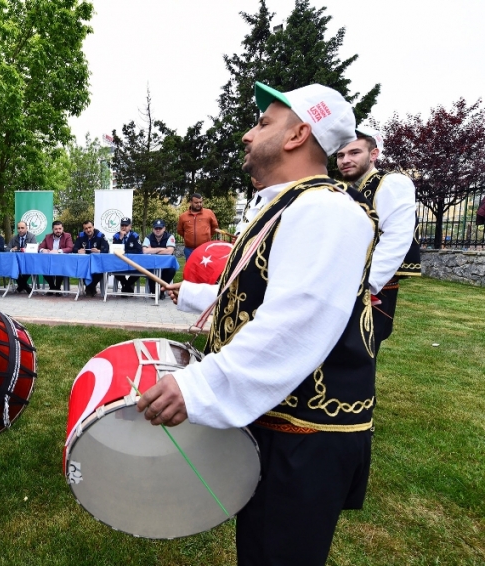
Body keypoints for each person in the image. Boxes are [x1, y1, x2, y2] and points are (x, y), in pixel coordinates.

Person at [139, 82, 378, 566]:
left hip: (306, 432)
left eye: (264, 123)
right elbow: (262, 291)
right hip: (276, 418)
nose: (249, 135)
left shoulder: (325, 209)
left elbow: (296, 321)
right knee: (260, 546)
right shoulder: (288, 206)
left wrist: (199, 385)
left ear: (298, 134)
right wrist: (192, 295)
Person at [336, 125, 419, 352]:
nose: (345, 160)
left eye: (354, 153)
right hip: (343, 284)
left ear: (374, 154)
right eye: (340, 155)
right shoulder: (347, 190)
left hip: (371, 287)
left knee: (360, 352)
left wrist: (366, 287)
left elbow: (396, 238)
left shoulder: (391, 183)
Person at [73, 220, 109, 297]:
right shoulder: (81, 235)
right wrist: (78, 251)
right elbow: (74, 248)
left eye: (89, 227)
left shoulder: (100, 235)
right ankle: (90, 288)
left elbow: (106, 249)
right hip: (84, 262)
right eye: (86, 228)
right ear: (83, 229)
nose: (88, 230)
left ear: (93, 227)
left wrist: (99, 251)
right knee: (81, 269)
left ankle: (90, 287)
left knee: (99, 271)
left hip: (97, 262)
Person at [177, 193, 218, 260]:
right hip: (189, 250)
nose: (199, 204)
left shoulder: (209, 213)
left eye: (200, 202)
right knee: (191, 269)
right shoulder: (183, 216)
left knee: (204, 269)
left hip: (205, 248)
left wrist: (207, 235)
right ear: (190, 202)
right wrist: (188, 237)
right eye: (196, 203)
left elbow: (214, 227)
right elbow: (180, 230)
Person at [141, 219, 176, 298]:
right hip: (152, 265)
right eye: (156, 228)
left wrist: (152, 250)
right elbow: (144, 251)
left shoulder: (170, 237)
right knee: (150, 272)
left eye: (160, 228)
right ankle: (154, 291)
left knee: (171, 270)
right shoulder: (148, 237)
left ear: (164, 228)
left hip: (166, 265)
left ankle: (161, 290)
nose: (158, 230)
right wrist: (162, 249)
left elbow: (170, 251)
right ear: (153, 229)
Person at [38, 220, 73, 291]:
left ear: (62, 229)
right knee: (43, 268)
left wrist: (58, 251)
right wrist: (42, 250)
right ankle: (52, 287)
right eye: (56, 229)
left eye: (60, 229)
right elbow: (39, 247)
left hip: (62, 262)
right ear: (53, 230)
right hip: (49, 261)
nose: (58, 231)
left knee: (61, 269)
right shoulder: (48, 237)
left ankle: (57, 287)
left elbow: (70, 248)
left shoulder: (67, 236)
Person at [112, 217, 143, 293]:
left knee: (139, 270)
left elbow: (139, 250)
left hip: (133, 262)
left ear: (130, 226)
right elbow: (114, 249)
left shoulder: (135, 236)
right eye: (122, 225)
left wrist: (124, 251)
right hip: (119, 263)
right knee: (115, 270)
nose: (124, 227)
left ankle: (126, 286)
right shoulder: (116, 236)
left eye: (126, 225)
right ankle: (127, 286)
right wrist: (120, 238)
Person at [8, 221, 36, 293]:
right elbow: (7, 249)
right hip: (16, 262)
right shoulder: (14, 238)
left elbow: (34, 248)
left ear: (26, 228)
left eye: (22, 228)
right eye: (19, 228)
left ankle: (21, 286)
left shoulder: (32, 237)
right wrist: (11, 249)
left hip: (28, 261)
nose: (20, 230)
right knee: (13, 268)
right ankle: (26, 287)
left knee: (30, 267)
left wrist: (26, 249)